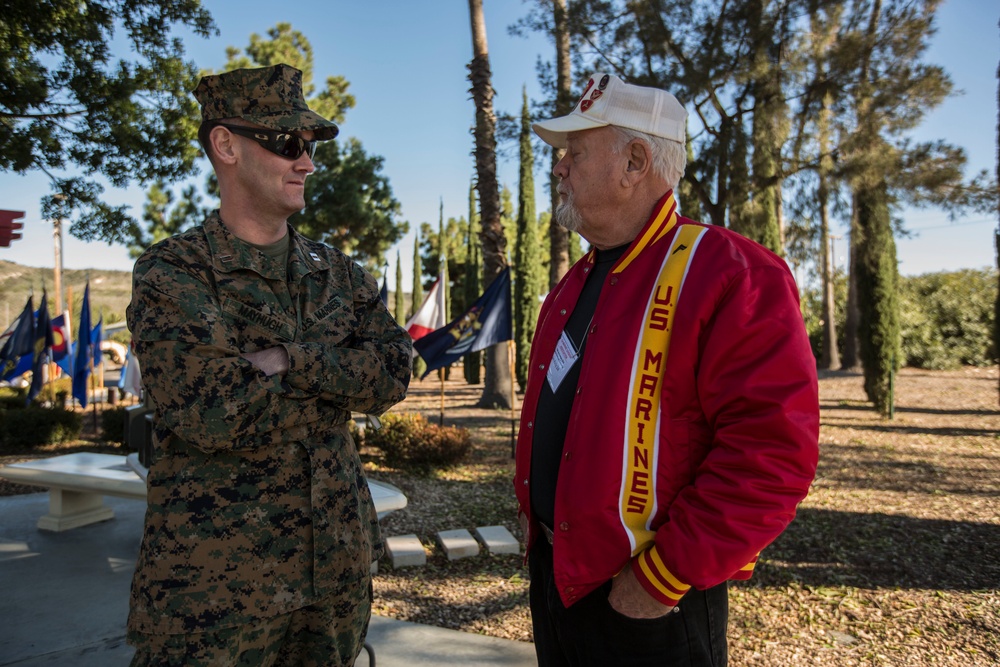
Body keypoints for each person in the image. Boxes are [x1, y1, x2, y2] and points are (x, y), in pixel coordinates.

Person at [514, 72, 820, 666]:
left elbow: (771, 456)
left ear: (634, 161)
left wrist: (654, 583)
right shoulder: (573, 285)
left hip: (647, 606)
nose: (558, 168)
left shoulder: (731, 272)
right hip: (559, 582)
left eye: (574, 153)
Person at [126, 64, 412, 667]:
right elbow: (212, 411)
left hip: (334, 574)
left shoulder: (338, 273)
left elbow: (392, 373)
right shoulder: (174, 273)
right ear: (225, 145)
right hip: (215, 596)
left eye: (308, 147)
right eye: (287, 144)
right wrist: (337, 379)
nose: (306, 162)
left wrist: (287, 359)